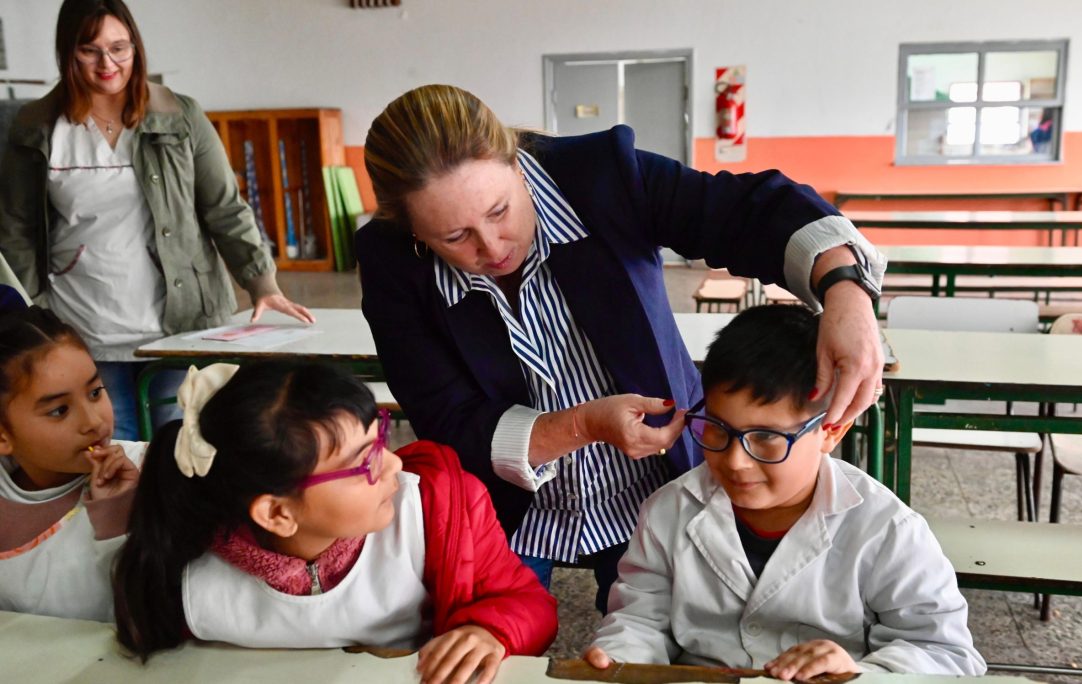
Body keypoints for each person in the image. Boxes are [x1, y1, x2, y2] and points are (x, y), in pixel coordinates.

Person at [358, 84, 887, 612]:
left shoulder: (605, 175)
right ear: (413, 233)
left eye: (499, 211)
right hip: (508, 502)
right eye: (455, 237)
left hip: (650, 488)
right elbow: (446, 417)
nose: (493, 248)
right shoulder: (391, 262)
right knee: (491, 633)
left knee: (657, 630)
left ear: (518, 166)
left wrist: (845, 289)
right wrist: (582, 427)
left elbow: (748, 211)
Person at [583, 304, 985, 678]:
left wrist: (860, 674)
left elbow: (947, 655)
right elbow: (640, 620)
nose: (737, 461)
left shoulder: (888, 531)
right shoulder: (669, 509)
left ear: (831, 431)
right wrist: (619, 656)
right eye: (718, 430)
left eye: (766, 439)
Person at [113, 360, 557, 684]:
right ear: (277, 513)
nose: (393, 465)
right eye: (363, 462)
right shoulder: (183, 563)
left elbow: (529, 603)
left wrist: (490, 630)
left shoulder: (435, 506)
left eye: (380, 435)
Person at [0, 0, 313, 442]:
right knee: (117, 441)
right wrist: (27, 312)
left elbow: (224, 205)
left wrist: (261, 282)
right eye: (90, 50)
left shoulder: (180, 115)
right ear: (67, 52)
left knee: (179, 439)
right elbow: (17, 229)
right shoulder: (36, 126)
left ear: (136, 47)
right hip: (85, 319)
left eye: (119, 47)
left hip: (181, 320)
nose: (108, 63)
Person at [0, 304, 144, 622]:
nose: (94, 422)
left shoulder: (146, 471)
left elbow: (151, 612)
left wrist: (118, 515)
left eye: (95, 392)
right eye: (59, 411)